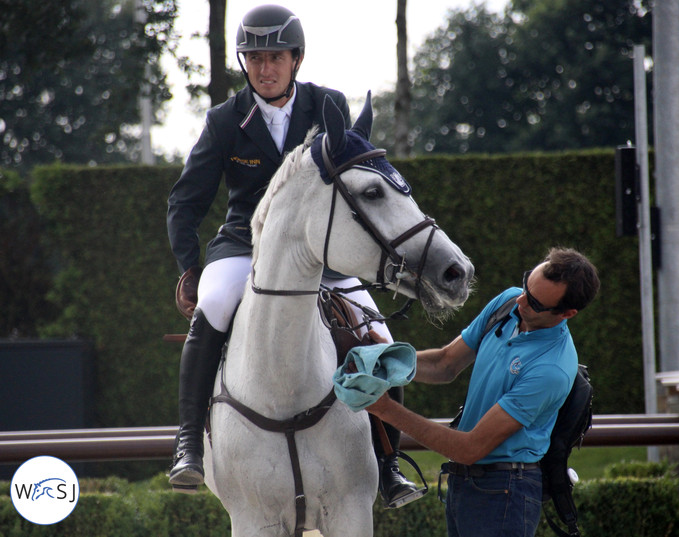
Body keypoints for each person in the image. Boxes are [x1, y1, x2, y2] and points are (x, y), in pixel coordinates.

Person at [166, 4, 421, 506]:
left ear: (296, 59)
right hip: (245, 243)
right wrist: (190, 270)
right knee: (215, 306)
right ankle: (189, 442)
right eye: (254, 58)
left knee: (378, 333)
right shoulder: (224, 121)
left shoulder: (327, 106)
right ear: (244, 63)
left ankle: (388, 463)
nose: (264, 68)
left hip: (320, 250)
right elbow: (184, 202)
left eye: (275, 57)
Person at [365, 247, 600, 537]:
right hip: (466, 482)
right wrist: (389, 359)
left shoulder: (551, 369)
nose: (521, 301)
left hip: (504, 492)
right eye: (527, 284)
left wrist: (386, 409)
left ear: (567, 313)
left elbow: (468, 449)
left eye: (535, 303)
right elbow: (445, 363)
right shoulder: (509, 302)